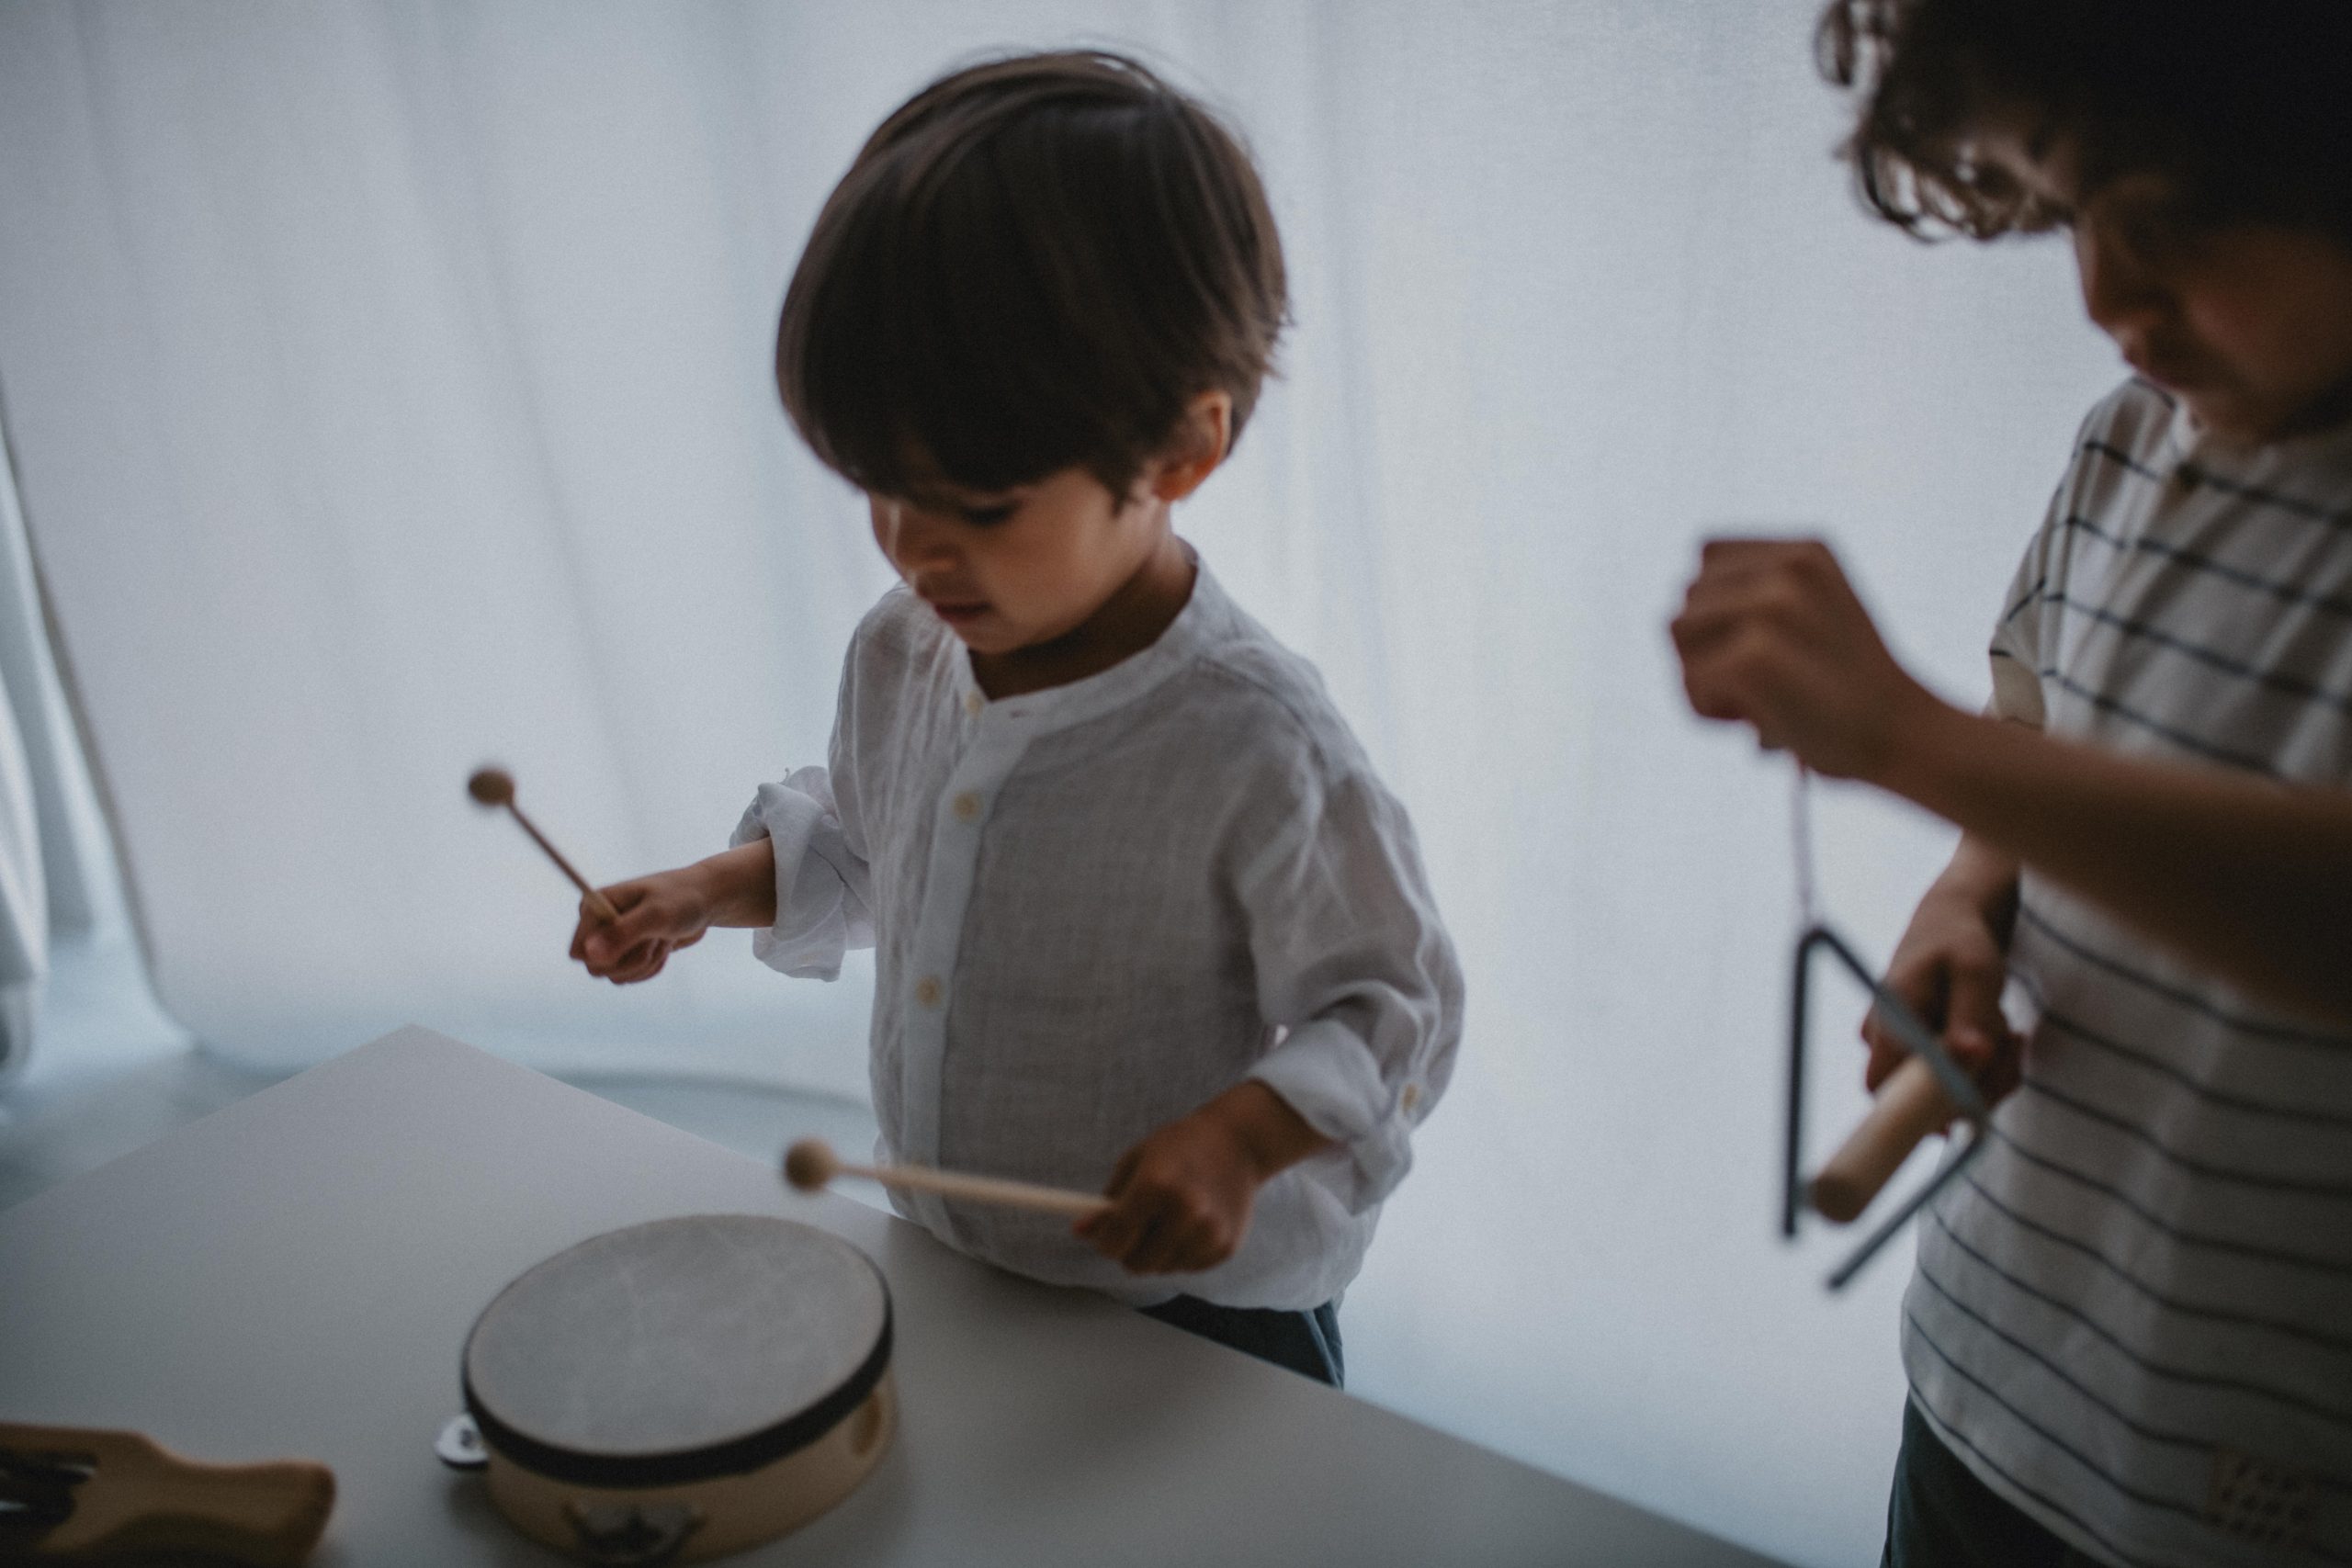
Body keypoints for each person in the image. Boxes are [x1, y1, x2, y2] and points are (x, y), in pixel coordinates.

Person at [570, 51, 1462, 1388]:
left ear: (1180, 452)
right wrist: (709, 889)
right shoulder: (905, 647)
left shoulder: (1260, 742)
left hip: (1197, 1322)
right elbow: (887, 850)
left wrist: (1239, 1141)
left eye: (978, 505)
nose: (915, 548)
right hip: (955, 1259)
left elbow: (1395, 1003)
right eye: (880, 485)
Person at [1672, 2, 2352, 1562]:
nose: (2104, 291)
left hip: (2252, 1497)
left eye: (2171, 215)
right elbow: (2037, 729)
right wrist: (1967, 894)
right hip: (1994, 1384)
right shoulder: (2129, 441)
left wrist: (1901, 735)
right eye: (2073, 209)